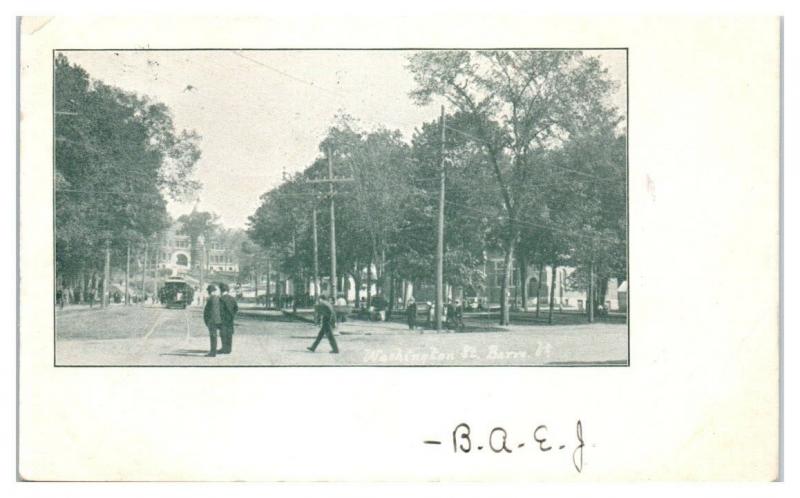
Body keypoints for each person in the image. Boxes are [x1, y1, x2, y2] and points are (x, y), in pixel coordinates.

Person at [203, 284, 222, 357]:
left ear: (210, 291)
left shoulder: (211, 299)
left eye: (208, 291)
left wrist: (208, 321)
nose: (208, 292)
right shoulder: (218, 298)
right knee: (214, 336)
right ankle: (213, 351)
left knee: (213, 336)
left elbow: (210, 311)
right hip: (217, 320)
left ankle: (212, 352)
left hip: (212, 321)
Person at [219, 283, 238, 354]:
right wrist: (232, 314)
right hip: (230, 319)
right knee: (229, 334)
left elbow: (220, 310)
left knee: (223, 334)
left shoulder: (221, 299)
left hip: (223, 319)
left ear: (221, 290)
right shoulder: (232, 298)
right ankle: (229, 349)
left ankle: (224, 348)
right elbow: (236, 308)